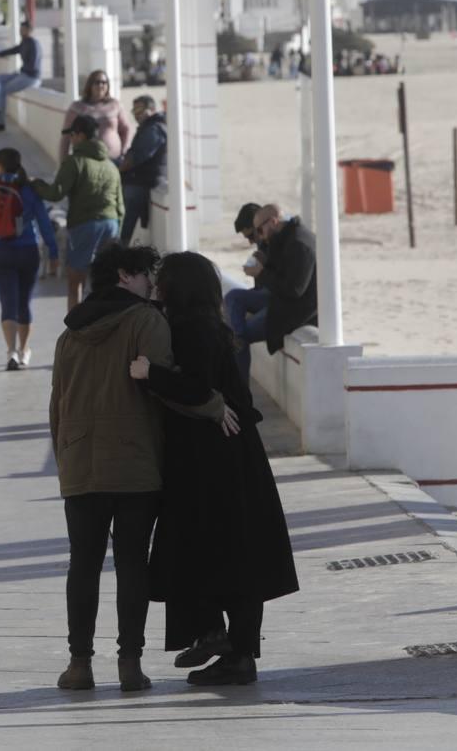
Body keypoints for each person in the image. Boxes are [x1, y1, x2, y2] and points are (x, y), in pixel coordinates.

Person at [50, 243, 228, 693]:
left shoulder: (69, 333)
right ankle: (130, 664)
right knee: (132, 563)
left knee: (83, 565)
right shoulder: (146, 320)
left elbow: (57, 404)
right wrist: (213, 405)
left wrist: (66, 454)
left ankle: (79, 665)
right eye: (148, 273)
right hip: (134, 459)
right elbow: (161, 385)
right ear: (125, 275)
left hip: (80, 460)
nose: (155, 282)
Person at [132, 251, 298, 686]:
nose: (157, 287)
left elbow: (195, 387)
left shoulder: (193, 330)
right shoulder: (205, 325)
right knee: (236, 553)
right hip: (230, 456)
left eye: (162, 281)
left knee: (210, 548)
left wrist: (151, 373)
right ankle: (233, 649)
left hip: (210, 459)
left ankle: (222, 640)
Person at [0, 147, 60, 370]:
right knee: (24, 302)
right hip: (28, 251)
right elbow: (44, 223)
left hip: (0, 252)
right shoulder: (28, 190)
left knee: (7, 302)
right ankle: (24, 350)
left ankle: (11, 352)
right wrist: (53, 251)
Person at [32, 114, 124, 310]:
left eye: (72, 135)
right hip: (111, 223)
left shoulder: (74, 162)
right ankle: (107, 321)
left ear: (80, 135)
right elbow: (120, 206)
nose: (70, 140)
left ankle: (76, 327)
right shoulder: (110, 165)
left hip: (85, 224)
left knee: (76, 280)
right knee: (106, 279)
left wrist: (35, 185)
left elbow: (56, 193)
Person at [237, 204, 318, 381]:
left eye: (259, 230)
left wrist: (261, 273)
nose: (259, 236)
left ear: (273, 222)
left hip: (294, 313)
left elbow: (294, 289)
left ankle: (239, 393)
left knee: (238, 339)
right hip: (280, 303)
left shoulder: (298, 243)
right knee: (233, 298)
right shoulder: (282, 238)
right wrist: (264, 263)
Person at [117, 95, 167, 246]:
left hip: (139, 183)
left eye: (140, 109)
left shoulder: (153, 129)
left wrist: (116, 172)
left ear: (151, 109)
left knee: (125, 227)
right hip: (140, 182)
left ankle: (119, 254)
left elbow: (135, 157)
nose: (136, 114)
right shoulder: (152, 126)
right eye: (134, 110)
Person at [224, 202, 269, 352]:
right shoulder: (263, 246)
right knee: (231, 300)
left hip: (281, 302)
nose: (251, 241)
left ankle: (238, 339)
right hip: (267, 296)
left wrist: (261, 272)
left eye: (251, 236)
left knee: (239, 334)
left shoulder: (276, 243)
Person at [59, 70, 132, 161]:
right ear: (90, 85)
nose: (100, 85)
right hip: (86, 161)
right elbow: (66, 135)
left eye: (104, 82)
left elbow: (126, 129)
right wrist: (63, 162)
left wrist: (124, 151)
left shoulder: (115, 105)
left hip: (114, 161)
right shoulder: (76, 107)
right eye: (97, 82)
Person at [0, 22, 42, 131]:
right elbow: (3, 53)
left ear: (29, 30)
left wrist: (20, 73)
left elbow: (33, 66)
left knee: (3, 89)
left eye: (23, 29)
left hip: (31, 78)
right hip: (22, 74)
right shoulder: (23, 43)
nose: (21, 31)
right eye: (20, 29)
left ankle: (0, 123)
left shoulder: (34, 44)